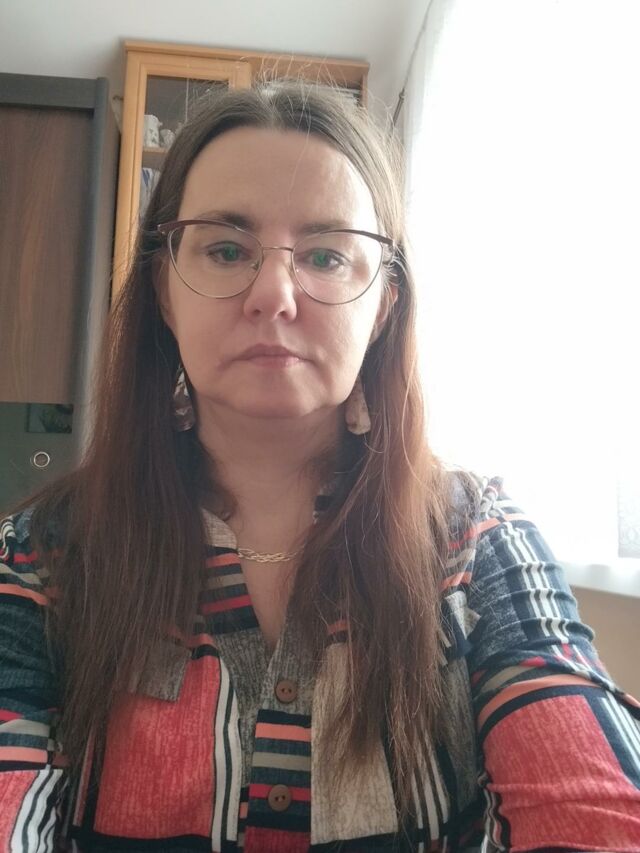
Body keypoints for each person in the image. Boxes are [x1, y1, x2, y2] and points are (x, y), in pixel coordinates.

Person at [1, 81, 639, 853]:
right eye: (226, 249)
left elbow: (588, 803)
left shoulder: (476, 540)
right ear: (165, 291)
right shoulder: (39, 555)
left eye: (327, 255)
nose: (273, 294)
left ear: (385, 305)